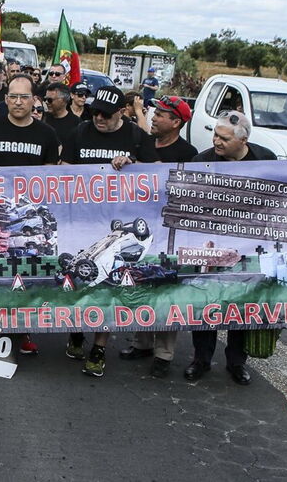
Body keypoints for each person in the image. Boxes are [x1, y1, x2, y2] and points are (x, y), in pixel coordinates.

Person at [61, 85, 159, 377]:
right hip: (84, 218)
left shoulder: (136, 136)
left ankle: (99, 347)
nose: (98, 119)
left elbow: (157, 172)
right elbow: (63, 170)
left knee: (109, 283)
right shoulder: (80, 132)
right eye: (94, 113)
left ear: (121, 112)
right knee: (84, 276)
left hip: (119, 222)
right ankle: (78, 330)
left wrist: (133, 165)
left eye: (105, 114)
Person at [184, 111, 276, 386]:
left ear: (243, 140)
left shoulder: (265, 158)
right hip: (212, 241)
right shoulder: (202, 160)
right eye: (215, 134)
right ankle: (201, 359)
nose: (216, 141)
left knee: (243, 300)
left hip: (249, 243)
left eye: (223, 138)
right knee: (207, 299)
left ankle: (237, 361)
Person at [0, 75, 59, 355]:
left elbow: (52, 175)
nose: (18, 102)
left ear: (34, 100)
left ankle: (22, 333)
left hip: (28, 218)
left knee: (24, 272)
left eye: (24, 97)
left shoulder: (46, 134)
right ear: (6, 99)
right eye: (13, 97)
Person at [118, 96, 196, 377]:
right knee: (141, 280)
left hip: (171, 232)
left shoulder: (188, 153)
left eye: (161, 114)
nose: (153, 117)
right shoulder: (143, 143)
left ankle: (164, 353)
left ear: (176, 122)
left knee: (166, 289)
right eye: (154, 112)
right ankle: (141, 342)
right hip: (143, 230)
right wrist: (125, 163)